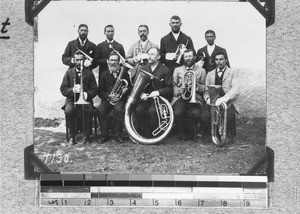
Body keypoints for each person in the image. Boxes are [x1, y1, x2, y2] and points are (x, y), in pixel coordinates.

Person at [133, 47, 172, 137]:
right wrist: (141, 93)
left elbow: (169, 88)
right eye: (149, 54)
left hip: (160, 98)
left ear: (158, 57)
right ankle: (146, 133)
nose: (149, 57)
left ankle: (157, 134)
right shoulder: (143, 68)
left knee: (153, 111)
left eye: (152, 54)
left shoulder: (165, 70)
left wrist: (158, 92)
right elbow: (137, 85)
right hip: (146, 98)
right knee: (139, 109)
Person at [60, 52, 98, 145]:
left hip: (85, 99)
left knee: (89, 110)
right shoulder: (69, 73)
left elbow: (94, 89)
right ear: (74, 61)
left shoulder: (89, 73)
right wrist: (72, 90)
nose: (79, 62)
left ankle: (87, 135)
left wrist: (86, 94)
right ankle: (72, 136)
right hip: (71, 99)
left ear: (84, 60)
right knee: (69, 110)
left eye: (81, 59)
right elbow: (63, 89)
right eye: (77, 60)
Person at [202, 51, 240, 143]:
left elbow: (236, 89)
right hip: (213, 101)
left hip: (228, 101)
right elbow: (206, 91)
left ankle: (227, 136)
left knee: (229, 116)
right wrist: (208, 99)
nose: (219, 62)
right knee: (204, 115)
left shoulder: (233, 72)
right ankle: (210, 135)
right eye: (217, 60)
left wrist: (225, 98)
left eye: (221, 59)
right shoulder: (210, 74)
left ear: (226, 60)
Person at [97, 52, 132, 144]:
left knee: (119, 110)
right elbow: (100, 91)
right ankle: (104, 135)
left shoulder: (124, 74)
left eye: (115, 60)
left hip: (120, 100)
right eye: (111, 60)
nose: (113, 62)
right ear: (108, 61)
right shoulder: (104, 74)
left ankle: (118, 135)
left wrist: (126, 90)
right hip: (108, 99)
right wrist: (109, 97)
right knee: (100, 109)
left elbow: (130, 87)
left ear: (119, 62)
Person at [172, 49, 206, 139]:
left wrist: (196, 86)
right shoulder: (177, 70)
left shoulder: (202, 71)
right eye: (186, 56)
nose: (188, 59)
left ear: (194, 57)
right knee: (178, 112)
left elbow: (204, 87)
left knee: (196, 113)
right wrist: (181, 89)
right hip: (181, 97)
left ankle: (192, 133)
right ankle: (181, 132)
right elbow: (174, 86)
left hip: (195, 97)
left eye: (190, 56)